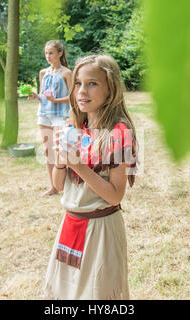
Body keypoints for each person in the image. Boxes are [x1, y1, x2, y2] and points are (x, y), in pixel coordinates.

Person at [43, 54, 138, 299]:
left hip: (100, 229)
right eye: (78, 83)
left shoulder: (118, 132)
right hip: (71, 224)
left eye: (92, 83)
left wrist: (79, 167)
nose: (82, 91)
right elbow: (58, 185)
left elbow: (115, 196)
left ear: (111, 89)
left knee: (96, 295)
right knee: (68, 294)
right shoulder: (74, 127)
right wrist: (62, 162)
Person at [29, 40, 72, 196]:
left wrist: (57, 100)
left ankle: (67, 185)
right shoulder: (43, 73)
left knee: (62, 151)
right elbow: (43, 95)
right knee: (48, 151)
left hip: (60, 116)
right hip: (44, 115)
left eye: (51, 53)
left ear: (60, 53)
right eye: (46, 53)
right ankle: (53, 187)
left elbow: (73, 96)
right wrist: (35, 96)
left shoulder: (67, 73)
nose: (48, 56)